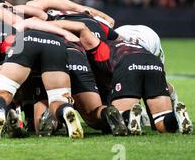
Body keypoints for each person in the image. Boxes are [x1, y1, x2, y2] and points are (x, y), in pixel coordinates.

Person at [53, 20, 193, 135]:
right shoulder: (125, 42)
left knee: (117, 117)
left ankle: (129, 117)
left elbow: (81, 27)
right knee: (162, 123)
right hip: (152, 61)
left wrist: (52, 25)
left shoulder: (98, 45)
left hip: (127, 64)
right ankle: (176, 119)